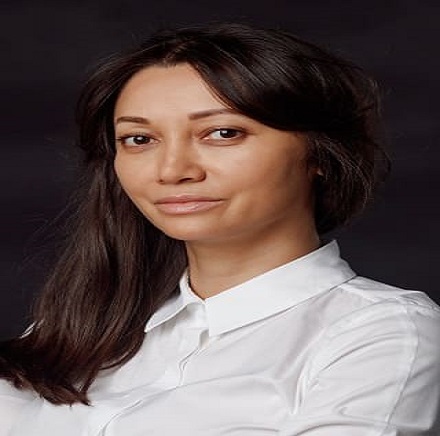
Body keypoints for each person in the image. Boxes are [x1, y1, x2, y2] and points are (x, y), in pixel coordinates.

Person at [0, 22, 439, 435]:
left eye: (223, 133)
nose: (172, 170)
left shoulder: (383, 333)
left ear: (320, 154)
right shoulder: (70, 333)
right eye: (139, 140)